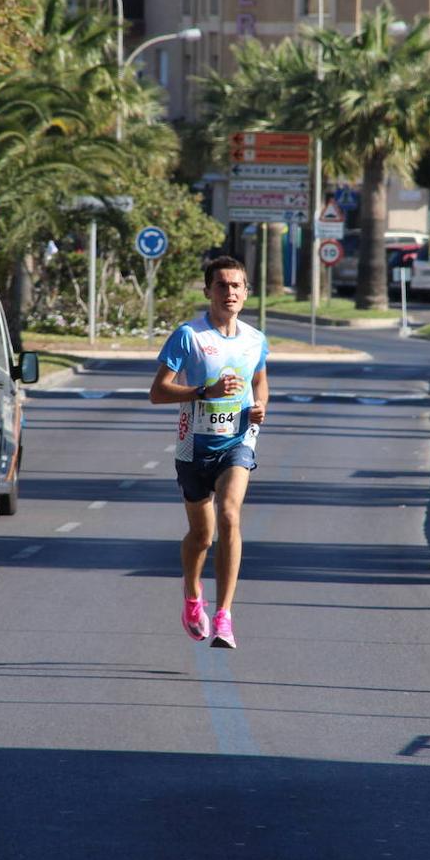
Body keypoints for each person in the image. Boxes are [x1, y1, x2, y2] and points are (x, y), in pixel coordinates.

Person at [149, 256, 268, 649]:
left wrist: (259, 408)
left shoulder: (255, 339)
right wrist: (204, 392)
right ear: (208, 291)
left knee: (230, 515)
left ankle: (224, 616)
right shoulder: (189, 336)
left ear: (246, 293)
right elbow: (157, 392)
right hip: (194, 448)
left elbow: (259, 381)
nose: (229, 292)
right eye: (222, 285)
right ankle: (192, 596)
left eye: (236, 286)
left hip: (238, 441)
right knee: (202, 535)